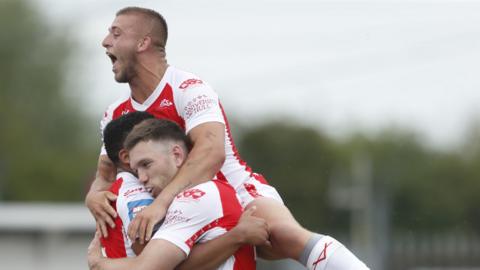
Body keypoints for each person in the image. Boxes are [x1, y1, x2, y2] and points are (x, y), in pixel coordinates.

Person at [85, 6, 369, 269]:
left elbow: (211, 152)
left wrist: (160, 206)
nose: (105, 41)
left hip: (230, 186)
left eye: (116, 33)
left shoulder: (187, 88)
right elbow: (105, 175)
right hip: (171, 203)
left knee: (282, 236)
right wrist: (93, 197)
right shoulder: (115, 113)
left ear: (143, 42)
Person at [99, 111, 269, 269]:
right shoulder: (209, 190)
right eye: (136, 171)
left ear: (177, 155)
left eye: (146, 164)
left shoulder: (198, 196)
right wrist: (236, 237)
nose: (141, 178)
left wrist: (100, 264)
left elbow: (148, 266)